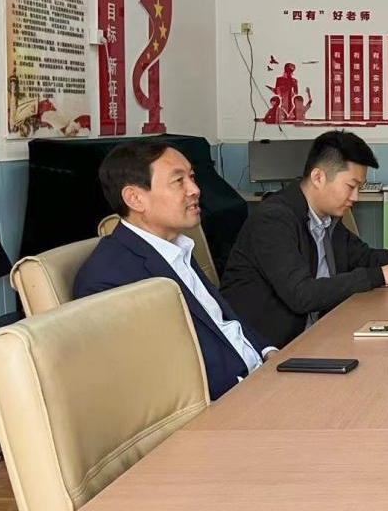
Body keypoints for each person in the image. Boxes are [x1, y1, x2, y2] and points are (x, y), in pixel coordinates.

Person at [74, 141, 274, 401]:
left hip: (261, 377)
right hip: (227, 403)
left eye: (192, 177)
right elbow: (157, 378)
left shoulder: (176, 246)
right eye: (178, 181)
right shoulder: (109, 279)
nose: (195, 190)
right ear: (135, 198)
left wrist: (268, 351)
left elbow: (223, 322)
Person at [221, 131, 388, 348]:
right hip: (268, 348)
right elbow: (301, 294)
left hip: (318, 332)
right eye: (351, 186)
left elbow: (363, 257)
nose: (355, 197)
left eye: (359, 188)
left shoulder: (326, 219)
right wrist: (382, 275)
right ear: (318, 177)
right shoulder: (273, 220)